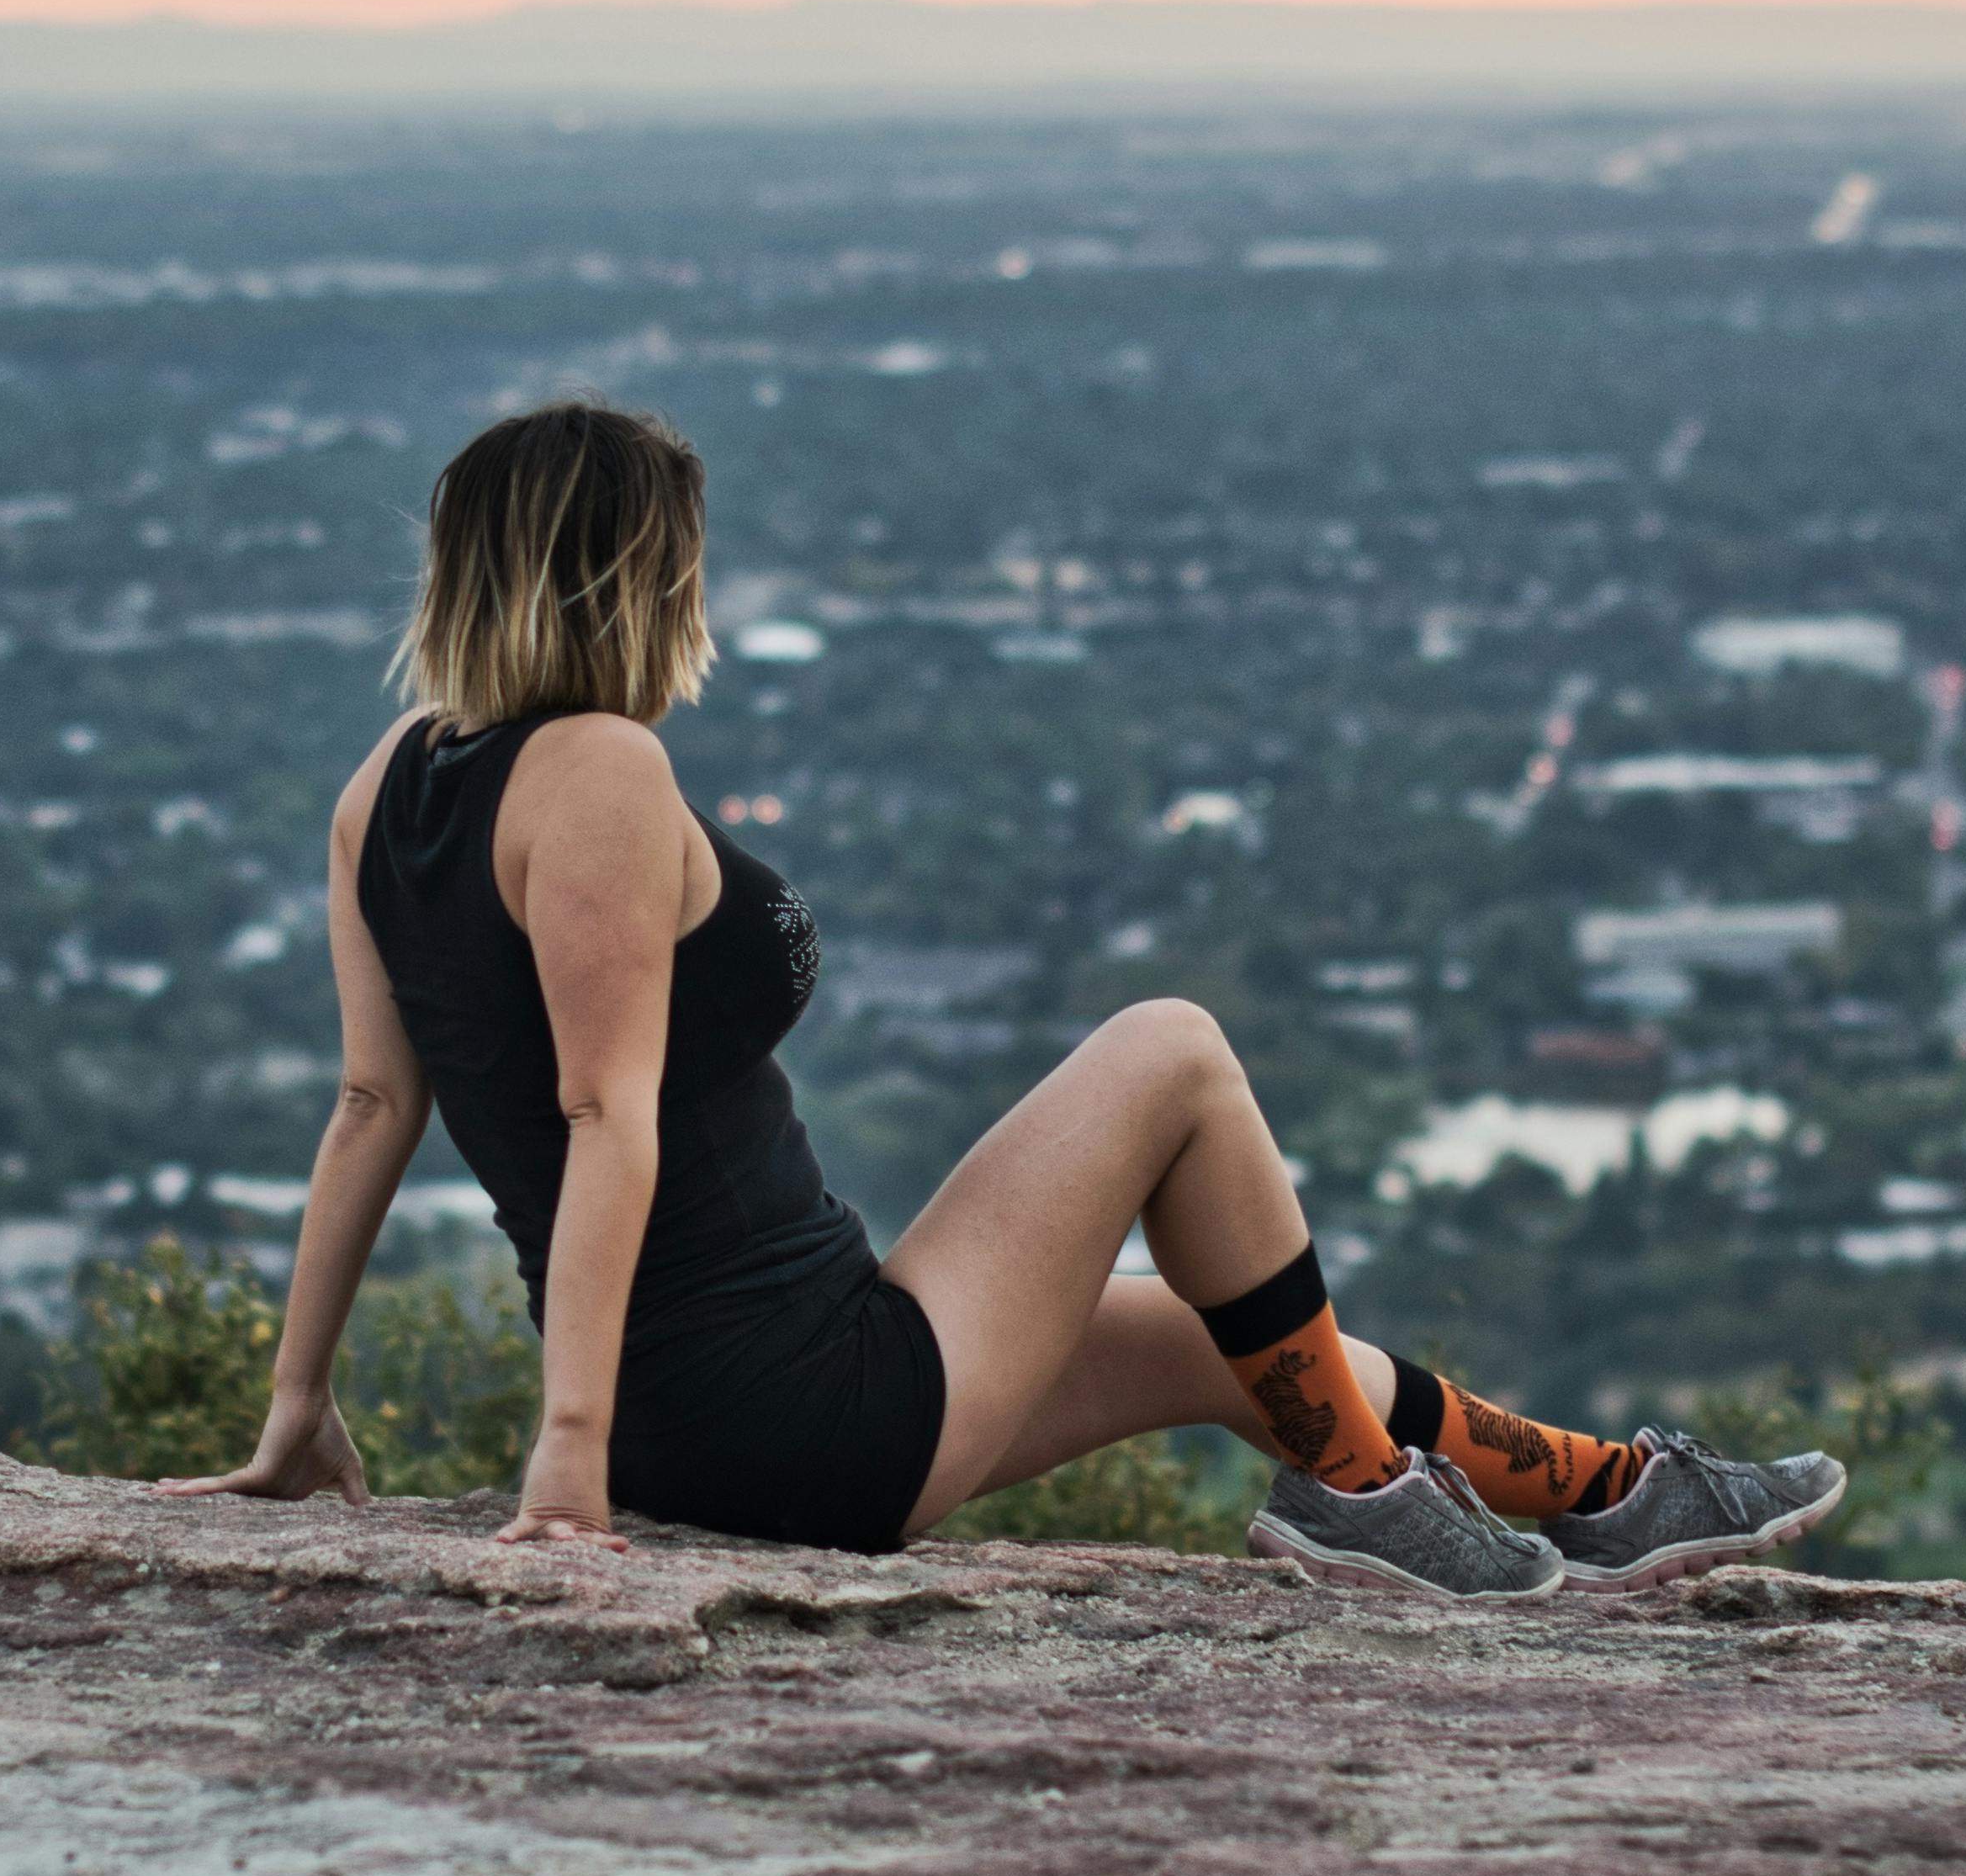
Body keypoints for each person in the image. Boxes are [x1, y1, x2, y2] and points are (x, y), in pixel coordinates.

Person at [167, 401, 1841, 1598]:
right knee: (1172, 1046)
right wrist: (567, 1458)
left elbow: (371, 1110)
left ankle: (1610, 1496)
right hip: (795, 1404)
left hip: (733, 1409)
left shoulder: (384, 786)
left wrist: (298, 1401)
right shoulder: (600, 766)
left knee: (1229, 1340)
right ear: (625, 572)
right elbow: (609, 1113)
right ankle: (1358, 1497)